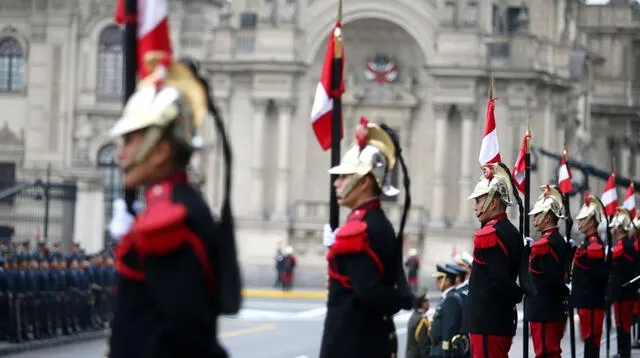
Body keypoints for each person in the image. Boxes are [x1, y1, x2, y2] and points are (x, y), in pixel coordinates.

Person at [105, 55, 232, 358]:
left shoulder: (168, 221)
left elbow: (185, 335)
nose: (121, 154)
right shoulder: (172, 203)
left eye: (130, 141)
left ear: (160, 150)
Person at [319, 118, 413, 358]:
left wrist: (400, 299)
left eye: (344, 177)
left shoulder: (359, 228)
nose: (336, 184)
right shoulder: (374, 221)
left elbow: (370, 293)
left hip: (353, 341)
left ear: (364, 182)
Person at [464, 163, 524, 358]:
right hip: (499, 320)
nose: (475, 207)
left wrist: (518, 294)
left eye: (479, 201)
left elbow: (498, 279)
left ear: (494, 202)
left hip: (487, 322)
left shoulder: (489, 234)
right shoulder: (512, 232)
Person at [524, 185, 569, 358]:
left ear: (548, 217)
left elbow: (548, 278)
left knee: (545, 352)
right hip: (550, 308)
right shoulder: (555, 240)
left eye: (537, 215)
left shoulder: (544, 244)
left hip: (544, 309)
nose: (534, 219)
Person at [572, 193, 608, 357]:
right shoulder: (587, 243)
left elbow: (596, 276)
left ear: (592, 222)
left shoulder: (594, 245)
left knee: (592, 341)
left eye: (583, 219)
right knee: (588, 340)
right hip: (586, 301)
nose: (580, 222)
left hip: (591, 301)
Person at [609, 207, 640, 357]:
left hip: (624, 291)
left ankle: (624, 351)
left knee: (624, 323)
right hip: (619, 292)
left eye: (615, 227)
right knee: (620, 322)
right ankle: (622, 350)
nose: (612, 230)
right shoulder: (622, 244)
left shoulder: (625, 245)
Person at [430, 264, 466, 358]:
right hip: (438, 348)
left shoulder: (452, 299)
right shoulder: (447, 297)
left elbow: (449, 328)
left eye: (440, 279)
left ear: (447, 281)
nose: (437, 282)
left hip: (443, 350)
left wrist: (446, 350)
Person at [406, 289, 432, 358]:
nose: (429, 302)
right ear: (422, 303)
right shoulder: (421, 320)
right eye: (426, 300)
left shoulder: (414, 316)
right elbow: (423, 345)